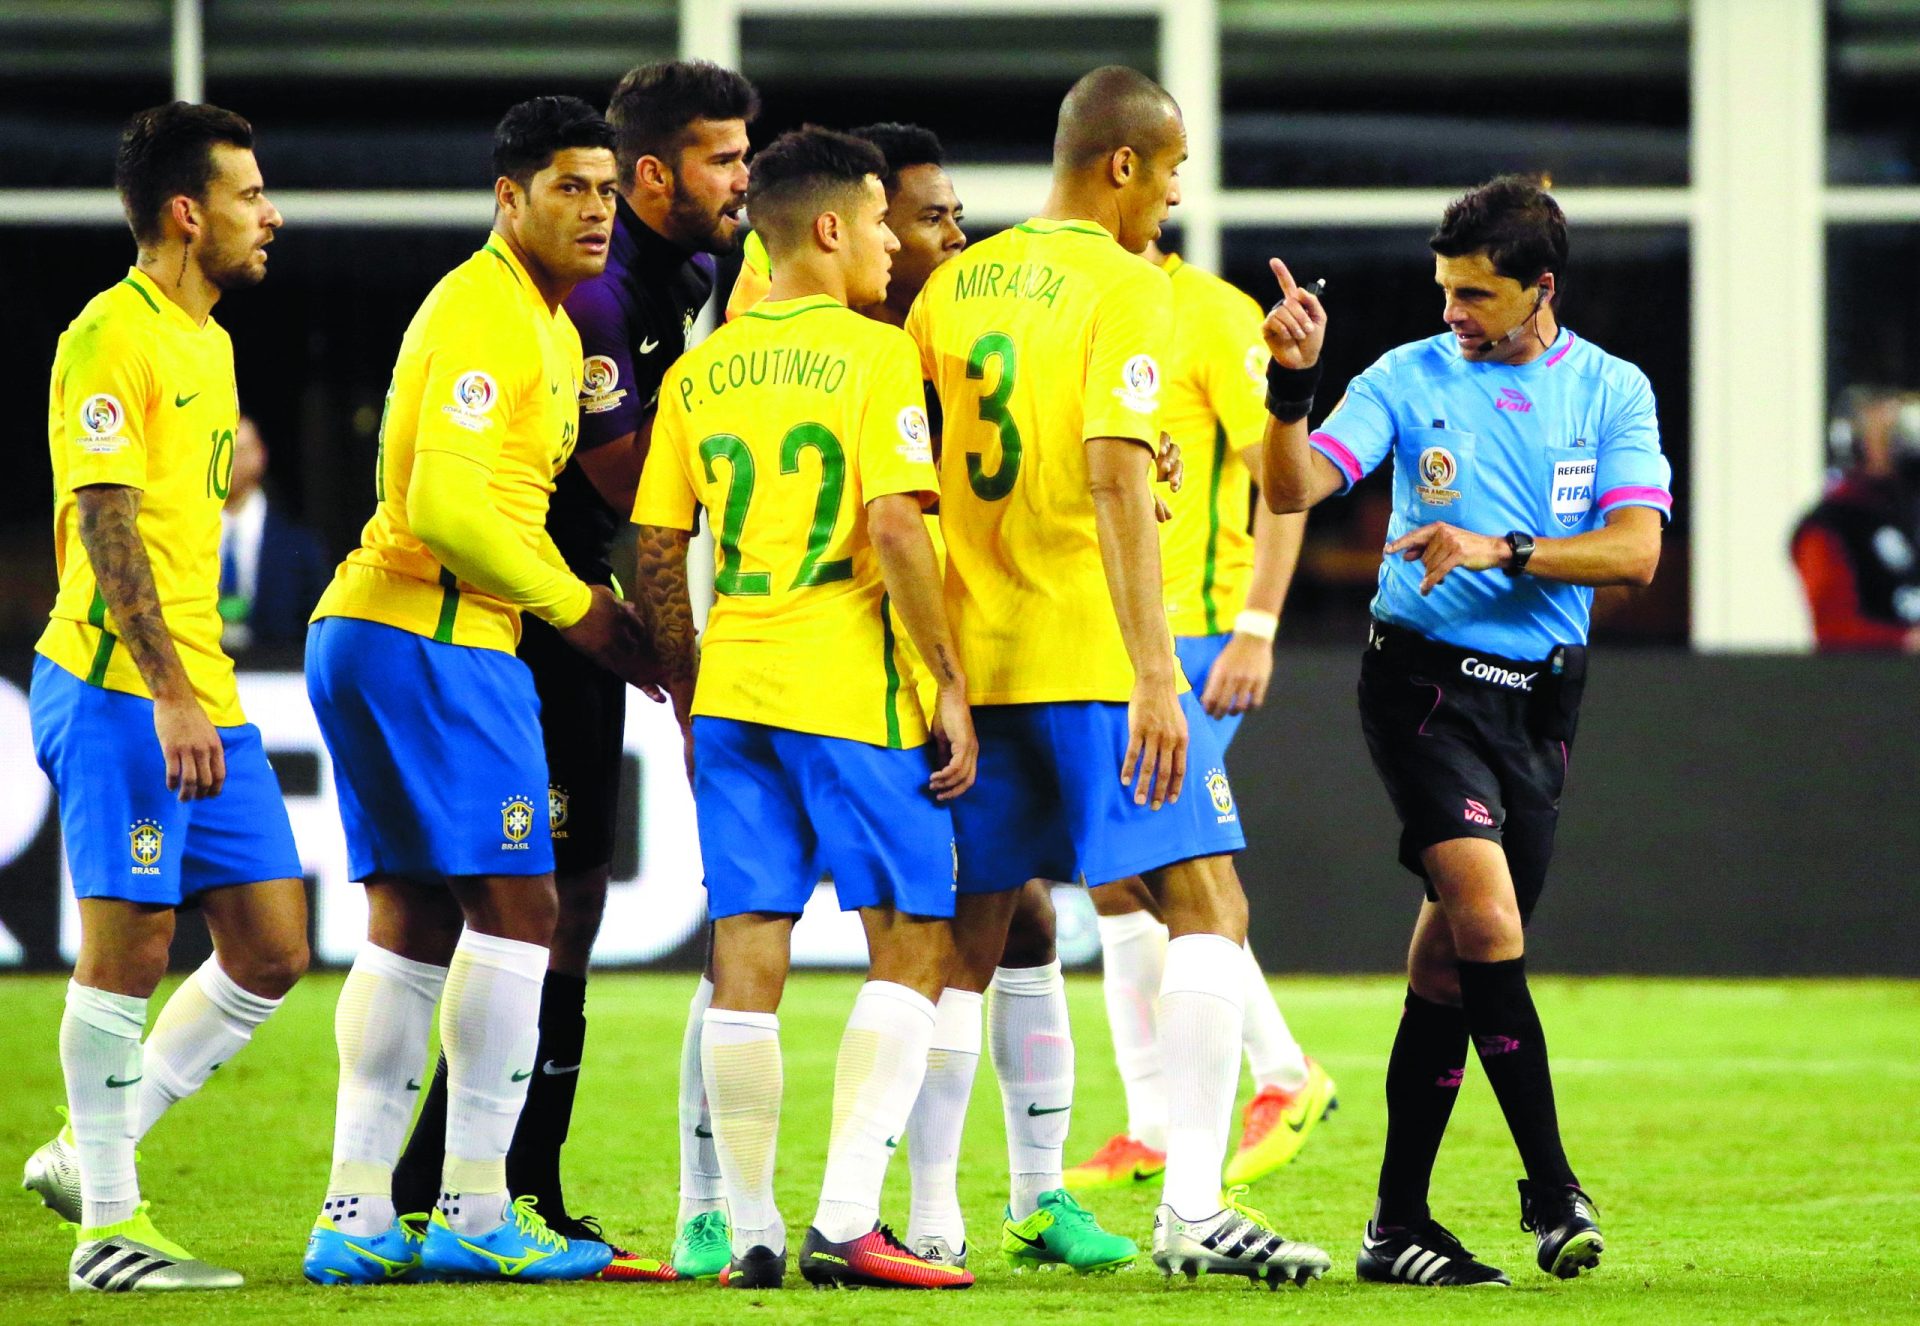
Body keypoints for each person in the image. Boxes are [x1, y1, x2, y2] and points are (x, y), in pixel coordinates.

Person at [906, 66, 1333, 1287]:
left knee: (968, 943)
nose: (1177, 193)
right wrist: (1159, 672)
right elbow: (1107, 477)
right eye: (1173, 168)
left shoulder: (953, 283)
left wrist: (937, 667)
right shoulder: (1129, 288)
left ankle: (933, 1219)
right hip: (1093, 659)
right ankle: (1195, 1208)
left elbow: (921, 482)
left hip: (979, 665)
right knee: (1209, 908)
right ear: (1123, 165)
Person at [1260, 174, 1669, 1286]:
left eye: (1477, 297)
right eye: (1446, 292)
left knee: (1452, 961)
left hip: (1539, 704)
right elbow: (1291, 487)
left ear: (1542, 290)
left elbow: (1635, 554)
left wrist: (1506, 547)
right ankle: (1552, 1188)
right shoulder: (1406, 376)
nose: (1453, 314)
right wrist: (1289, 382)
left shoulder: (1612, 392)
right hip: (1423, 689)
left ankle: (1396, 1227)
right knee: (1487, 921)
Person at [387, 60, 757, 1284]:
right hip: (533, 617)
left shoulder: (686, 275)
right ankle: (460, 1186)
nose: (741, 181)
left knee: (564, 905)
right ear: (658, 175)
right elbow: (626, 480)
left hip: (568, 612)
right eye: (722, 159)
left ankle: (491, 1183)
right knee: (525, 910)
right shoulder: (594, 302)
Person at [301, 96, 659, 1286]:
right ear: (509, 198)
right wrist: (581, 609)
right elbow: (449, 509)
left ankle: (355, 1215)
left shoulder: (548, 329)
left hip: (382, 632)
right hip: (439, 636)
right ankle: (470, 1206)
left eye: (607, 189)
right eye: (570, 186)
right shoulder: (489, 312)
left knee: (411, 922)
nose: (596, 210)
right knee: (524, 915)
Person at [631, 125, 976, 1291]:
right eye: (880, 220)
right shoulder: (877, 358)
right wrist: (950, 681)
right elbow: (894, 526)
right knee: (915, 941)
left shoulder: (698, 370)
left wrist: (687, 692)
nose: (890, 241)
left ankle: (752, 1232)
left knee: (747, 952)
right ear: (829, 228)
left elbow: (657, 543)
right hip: (850, 688)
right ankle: (844, 1219)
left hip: (734, 688)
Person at [23, 101, 308, 1292]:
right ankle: (110, 1236)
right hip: (121, 690)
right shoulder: (112, 337)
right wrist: (172, 695)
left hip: (204, 692)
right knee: (129, 948)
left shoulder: (210, 340)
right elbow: (106, 518)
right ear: (188, 212)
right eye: (250, 196)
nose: (270, 217)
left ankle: (88, 1152)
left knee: (272, 946)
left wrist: (201, 694)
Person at [1065, 240, 1335, 1196]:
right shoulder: (1085, 302)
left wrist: (1257, 627)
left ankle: (1286, 1074)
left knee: (1170, 866)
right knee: (1112, 875)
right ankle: (1151, 1124)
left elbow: (1286, 477)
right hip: (1106, 633)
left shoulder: (1211, 313)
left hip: (1194, 636)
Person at [1791, 385, 1920, 651]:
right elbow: (1833, 629)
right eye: (1884, 434)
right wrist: (1904, 641)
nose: (1898, 444)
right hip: (1873, 682)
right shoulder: (1830, 526)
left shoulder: (1906, 511)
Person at [215, 414, 330, 652]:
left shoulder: (300, 546)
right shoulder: (185, 541)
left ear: (260, 455)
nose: (229, 463)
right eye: (221, 451)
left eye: (239, 451)